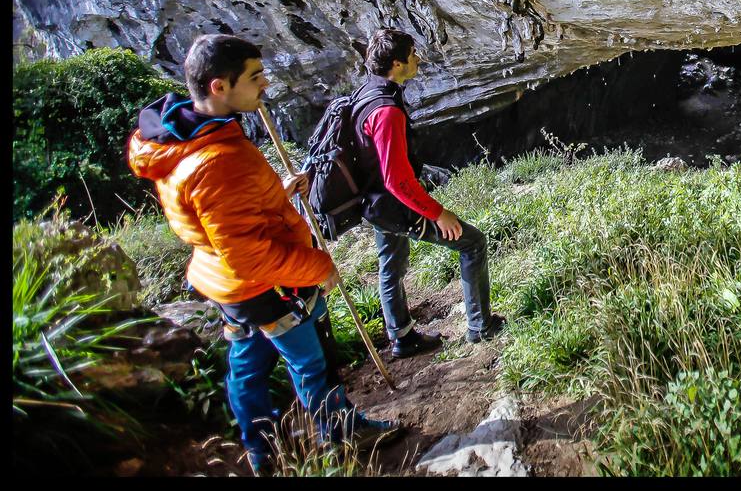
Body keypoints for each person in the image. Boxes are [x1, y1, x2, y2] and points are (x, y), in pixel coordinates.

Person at [127, 34, 398, 476]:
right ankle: (342, 434)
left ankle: (261, 451)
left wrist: (277, 194)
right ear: (219, 86)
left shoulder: (182, 135)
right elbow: (248, 254)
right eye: (255, 77)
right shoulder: (216, 162)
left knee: (248, 363)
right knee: (310, 359)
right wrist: (318, 266)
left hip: (225, 284)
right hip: (264, 285)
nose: (265, 85)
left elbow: (228, 216)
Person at [350, 28, 504, 358]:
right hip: (392, 203)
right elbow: (398, 180)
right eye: (413, 54)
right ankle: (480, 325)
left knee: (390, 264)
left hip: (373, 202)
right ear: (397, 62)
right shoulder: (386, 112)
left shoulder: (367, 93)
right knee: (471, 242)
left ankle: (402, 337)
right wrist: (438, 213)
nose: (418, 58)